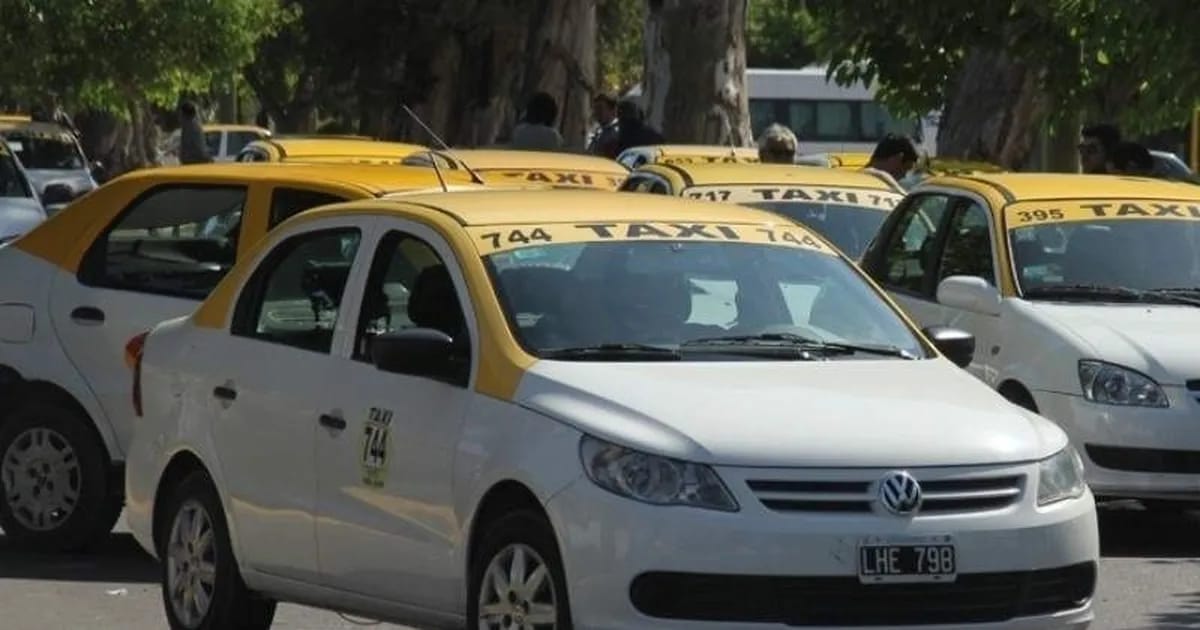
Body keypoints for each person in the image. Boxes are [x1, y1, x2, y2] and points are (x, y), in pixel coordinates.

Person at [586, 93, 620, 158]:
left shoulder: (616, 132)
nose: (596, 112)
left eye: (600, 108)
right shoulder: (599, 131)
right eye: (595, 109)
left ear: (612, 110)